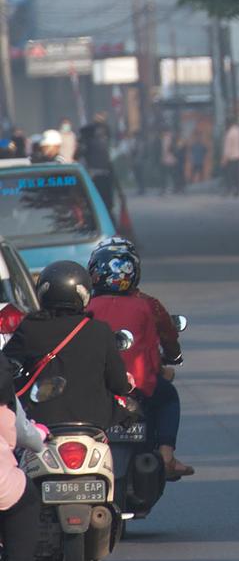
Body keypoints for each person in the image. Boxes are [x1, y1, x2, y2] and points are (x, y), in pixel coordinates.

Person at [85, 242, 193, 480]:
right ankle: (167, 457)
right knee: (168, 397)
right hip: (138, 385)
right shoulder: (146, 305)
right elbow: (157, 346)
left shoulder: (85, 305)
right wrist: (163, 370)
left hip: (94, 385)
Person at [2, 260, 132, 430]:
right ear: (84, 294)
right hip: (92, 424)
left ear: (42, 293)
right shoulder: (100, 331)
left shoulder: (30, 328)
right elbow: (118, 384)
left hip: (39, 424)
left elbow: (4, 370)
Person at [0, 356, 40, 561]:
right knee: (27, 500)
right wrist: (41, 436)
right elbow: (27, 435)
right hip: (5, 488)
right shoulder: (6, 400)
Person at [77, 113, 116, 214]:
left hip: (98, 177)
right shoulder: (95, 143)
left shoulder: (95, 143)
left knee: (98, 205)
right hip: (100, 177)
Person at [221, 119, 239, 197]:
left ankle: (229, 189)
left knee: (229, 175)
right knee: (237, 174)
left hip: (231, 157)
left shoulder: (229, 133)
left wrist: (224, 158)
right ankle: (237, 190)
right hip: (238, 155)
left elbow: (227, 147)